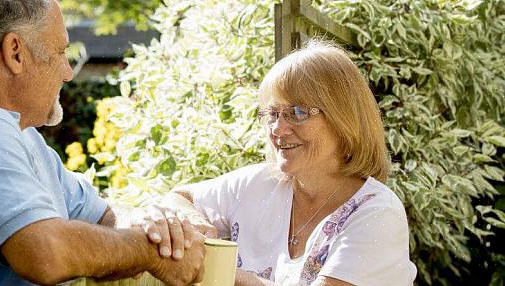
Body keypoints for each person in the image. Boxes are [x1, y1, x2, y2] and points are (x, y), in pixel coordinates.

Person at [0, 1, 207, 285]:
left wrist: (153, 226)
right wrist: (149, 252)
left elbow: (104, 217)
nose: (68, 73)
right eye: (60, 53)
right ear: (15, 52)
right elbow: (45, 254)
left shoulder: (11, 134)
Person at [140, 40, 417, 285]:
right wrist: (193, 227)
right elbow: (180, 197)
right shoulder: (260, 183)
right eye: (272, 113)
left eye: (297, 112)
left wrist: (216, 268)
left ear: (343, 119)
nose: (277, 128)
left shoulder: (378, 213)